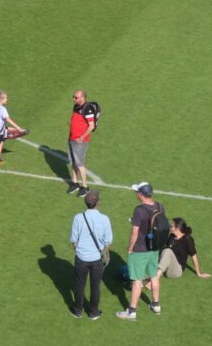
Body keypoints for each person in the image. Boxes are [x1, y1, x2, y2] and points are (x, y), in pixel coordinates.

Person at [116, 182, 164, 320]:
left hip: (140, 249)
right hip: (154, 248)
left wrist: (130, 247)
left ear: (141, 194)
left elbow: (134, 232)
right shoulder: (160, 206)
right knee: (153, 275)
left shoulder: (139, 210)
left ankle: (131, 311)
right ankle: (156, 305)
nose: (136, 194)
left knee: (137, 280)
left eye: (137, 192)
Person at [70, 190, 113, 319]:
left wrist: (79, 251)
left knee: (79, 285)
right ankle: (93, 312)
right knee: (95, 286)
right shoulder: (104, 219)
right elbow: (108, 242)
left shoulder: (78, 218)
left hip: (81, 258)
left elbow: (73, 240)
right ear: (97, 203)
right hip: (97, 259)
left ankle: (78, 310)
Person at [155, 218, 211, 283]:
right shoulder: (172, 236)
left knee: (167, 251)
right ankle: (145, 281)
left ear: (177, 228)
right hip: (165, 268)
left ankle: (156, 278)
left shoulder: (187, 239)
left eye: (172, 226)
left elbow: (194, 257)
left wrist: (199, 273)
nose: (170, 226)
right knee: (162, 251)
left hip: (176, 271)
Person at [67, 90, 99, 196]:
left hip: (80, 141)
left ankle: (85, 187)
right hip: (72, 138)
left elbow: (91, 126)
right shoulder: (76, 107)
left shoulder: (87, 109)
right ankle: (75, 183)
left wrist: (81, 137)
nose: (74, 99)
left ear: (82, 97)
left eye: (76, 97)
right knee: (73, 162)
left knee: (80, 164)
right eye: (73, 97)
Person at [0, 91, 23, 164]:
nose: (7, 100)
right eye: (6, 98)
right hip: (0, 130)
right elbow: (8, 119)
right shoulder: (3, 109)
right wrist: (17, 127)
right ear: (1, 99)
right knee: (1, 143)